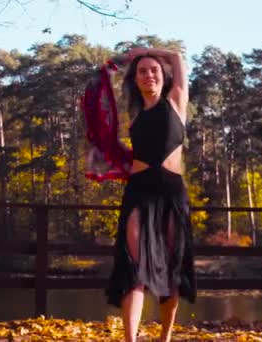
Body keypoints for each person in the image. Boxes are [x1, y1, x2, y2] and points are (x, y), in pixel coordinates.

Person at [84, 47, 196, 342]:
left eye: (154, 70)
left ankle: (165, 337)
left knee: (171, 267)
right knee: (133, 269)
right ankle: (130, 339)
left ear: (163, 77)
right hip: (139, 191)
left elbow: (175, 56)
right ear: (135, 80)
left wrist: (143, 52)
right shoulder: (134, 118)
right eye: (142, 71)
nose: (149, 75)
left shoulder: (176, 101)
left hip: (171, 191)